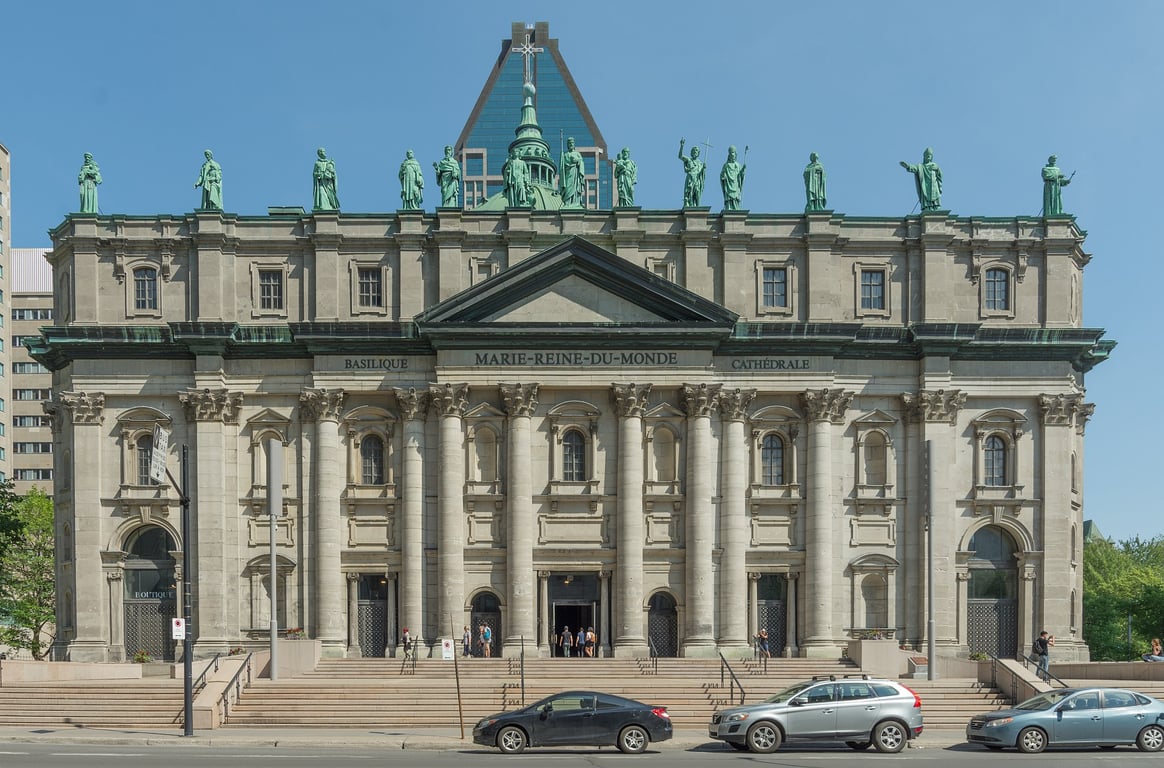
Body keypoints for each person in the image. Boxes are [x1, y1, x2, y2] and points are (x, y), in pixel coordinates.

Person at [900, 147, 942, 212]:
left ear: (932, 157)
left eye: (930, 155)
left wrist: (937, 169)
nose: (928, 156)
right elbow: (914, 168)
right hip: (925, 185)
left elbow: (940, 175)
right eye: (927, 155)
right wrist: (908, 166)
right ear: (924, 157)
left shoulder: (935, 165)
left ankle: (936, 206)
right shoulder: (921, 166)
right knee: (925, 195)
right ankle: (927, 207)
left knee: (935, 195)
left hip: (934, 185)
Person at [678, 138, 706, 207]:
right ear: (691, 153)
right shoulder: (688, 160)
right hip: (690, 179)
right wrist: (682, 146)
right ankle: (690, 205)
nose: (695, 152)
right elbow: (680, 156)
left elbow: (702, 174)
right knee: (689, 193)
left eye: (696, 151)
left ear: (698, 153)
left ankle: (697, 206)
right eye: (693, 151)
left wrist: (703, 169)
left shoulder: (700, 163)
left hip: (697, 180)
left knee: (697, 193)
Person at [559, 137, 585, 209]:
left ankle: (575, 202)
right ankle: (567, 203)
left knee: (576, 188)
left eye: (572, 143)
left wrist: (578, 161)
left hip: (575, 174)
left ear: (574, 144)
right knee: (567, 188)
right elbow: (562, 167)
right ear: (567, 145)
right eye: (569, 143)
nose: (571, 144)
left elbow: (581, 162)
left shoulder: (577, 154)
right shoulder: (565, 155)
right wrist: (562, 159)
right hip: (568, 174)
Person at [720, 145, 746, 211]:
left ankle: (736, 207)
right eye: (731, 154)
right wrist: (724, 176)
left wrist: (743, 170)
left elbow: (740, 175)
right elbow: (722, 174)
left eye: (733, 154)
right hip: (728, 184)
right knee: (729, 196)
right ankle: (729, 207)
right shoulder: (726, 165)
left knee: (736, 196)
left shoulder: (738, 165)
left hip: (735, 184)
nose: (732, 155)